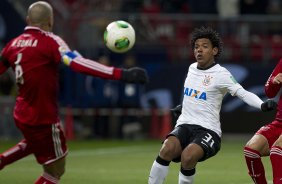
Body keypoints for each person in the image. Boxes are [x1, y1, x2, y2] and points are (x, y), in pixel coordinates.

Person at [0, 1, 148, 184]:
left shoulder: (12, 44)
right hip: (42, 116)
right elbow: (77, 63)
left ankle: (2, 160)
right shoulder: (51, 41)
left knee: (36, 142)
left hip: (21, 112)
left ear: (28, 19)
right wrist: (121, 74)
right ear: (50, 21)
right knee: (55, 171)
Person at [148, 26, 276, 184]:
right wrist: (183, 107)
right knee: (166, 149)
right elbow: (195, 94)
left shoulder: (221, 74)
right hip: (185, 124)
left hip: (208, 130)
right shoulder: (191, 68)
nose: (199, 50)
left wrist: (262, 105)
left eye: (204, 46)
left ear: (214, 51)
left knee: (188, 157)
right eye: (196, 47)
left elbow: (242, 93)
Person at [244, 60, 282, 184]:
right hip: (279, 122)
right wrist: (274, 81)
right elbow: (269, 91)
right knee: (251, 150)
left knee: (278, 149)